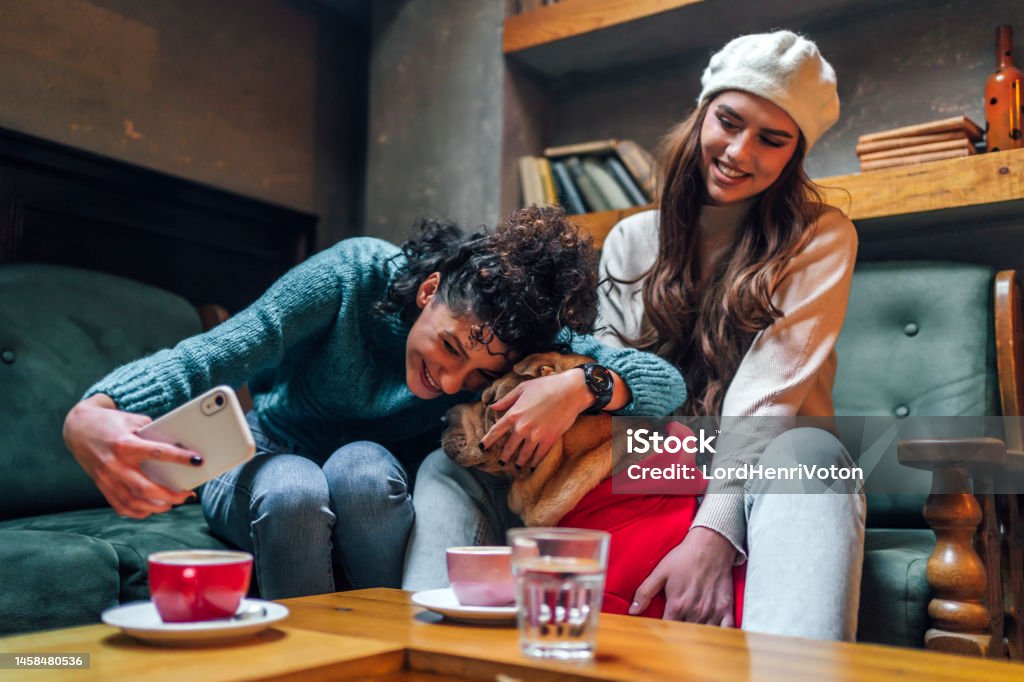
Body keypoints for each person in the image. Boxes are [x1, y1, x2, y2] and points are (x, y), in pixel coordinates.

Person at [405, 30, 865, 642]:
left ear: (793, 155)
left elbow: (766, 400)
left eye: (771, 139)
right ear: (703, 114)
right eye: (728, 122)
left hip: (765, 467)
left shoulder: (822, 238)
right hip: (662, 459)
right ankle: (422, 651)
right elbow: (619, 392)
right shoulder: (633, 239)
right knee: (449, 467)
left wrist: (711, 535)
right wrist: (572, 388)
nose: (739, 151)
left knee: (810, 455)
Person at [63, 205, 686, 600]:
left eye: (475, 375)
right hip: (265, 463)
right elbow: (218, 352)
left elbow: (667, 384)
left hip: (375, 486)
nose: (448, 379)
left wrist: (581, 386)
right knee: (294, 485)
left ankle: (380, 656)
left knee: (360, 466)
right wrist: (96, 406)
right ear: (431, 289)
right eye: (449, 345)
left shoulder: (511, 337)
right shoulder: (350, 275)